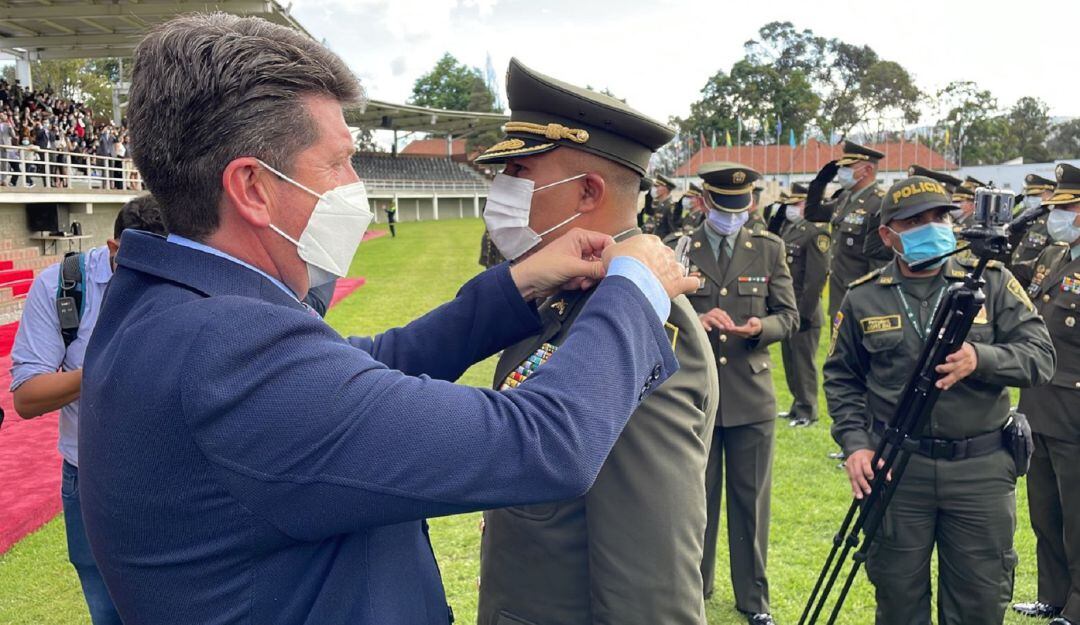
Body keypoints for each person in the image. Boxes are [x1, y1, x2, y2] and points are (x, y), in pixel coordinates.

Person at [78, 14, 697, 625]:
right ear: (253, 189)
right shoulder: (228, 350)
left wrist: (517, 286)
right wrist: (636, 285)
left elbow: (363, 367)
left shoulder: (165, 307)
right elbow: (542, 442)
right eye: (339, 163)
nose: (356, 185)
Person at [472, 58, 718, 625]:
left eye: (518, 173)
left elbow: (650, 582)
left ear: (587, 191)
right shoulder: (567, 293)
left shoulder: (644, 323)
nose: (503, 190)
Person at [825, 175, 1056, 625]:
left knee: (979, 601)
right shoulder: (863, 297)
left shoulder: (991, 281)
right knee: (897, 597)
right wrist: (856, 444)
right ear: (888, 234)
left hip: (980, 471)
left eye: (939, 216)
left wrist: (981, 358)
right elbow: (841, 378)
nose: (931, 227)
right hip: (896, 470)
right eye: (915, 221)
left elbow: (1041, 356)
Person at [9, 194, 167, 625]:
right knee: (106, 609)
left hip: (174, 475)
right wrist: (103, 367)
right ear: (115, 250)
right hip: (90, 477)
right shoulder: (63, 287)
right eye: (142, 269)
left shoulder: (185, 278)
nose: (156, 283)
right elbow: (26, 397)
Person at [682, 161, 798, 625]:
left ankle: (754, 600)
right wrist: (695, 318)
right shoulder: (683, 247)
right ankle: (697, 586)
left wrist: (759, 327)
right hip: (698, 393)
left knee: (751, 503)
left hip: (751, 395)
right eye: (724, 206)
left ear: (751, 204)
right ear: (707, 201)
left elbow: (789, 316)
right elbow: (659, 309)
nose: (733, 214)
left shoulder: (769, 249)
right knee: (695, 500)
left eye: (742, 206)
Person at [1012, 163, 1080, 625]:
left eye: (1069, 210)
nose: (1058, 219)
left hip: (1075, 408)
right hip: (1039, 401)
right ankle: (1052, 596)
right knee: (1046, 511)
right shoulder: (1056, 257)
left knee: (1078, 516)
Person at [804, 141, 890, 326]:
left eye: (847, 167)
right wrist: (819, 183)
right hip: (839, 294)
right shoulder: (844, 198)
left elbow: (880, 262)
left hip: (862, 300)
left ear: (866, 170)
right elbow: (812, 214)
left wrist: (873, 303)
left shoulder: (878, 204)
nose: (841, 172)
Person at [775, 183, 830, 427]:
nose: (789, 209)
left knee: (803, 362)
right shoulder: (790, 229)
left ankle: (808, 409)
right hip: (789, 307)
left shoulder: (815, 233)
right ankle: (797, 405)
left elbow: (816, 278)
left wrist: (804, 313)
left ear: (804, 205)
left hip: (805, 310)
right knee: (790, 361)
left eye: (793, 204)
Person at [1010, 173, 1058, 283]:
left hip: (1033, 279)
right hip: (1014, 276)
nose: (1029, 199)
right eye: (1028, 195)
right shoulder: (1025, 217)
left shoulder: (1052, 221)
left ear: (1049, 195)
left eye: (1035, 196)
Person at [645, 173, 678, 237]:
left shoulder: (670, 207)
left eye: (657, 186)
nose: (654, 189)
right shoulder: (656, 205)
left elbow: (673, 232)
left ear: (665, 189)